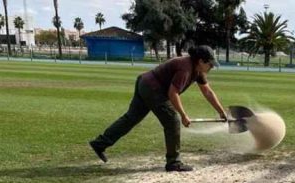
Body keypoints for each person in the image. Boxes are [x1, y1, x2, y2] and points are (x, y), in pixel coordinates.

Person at [89, 46, 228, 172]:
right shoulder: (185, 68)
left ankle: (100, 143)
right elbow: (172, 93)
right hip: (153, 88)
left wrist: (221, 111)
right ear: (201, 61)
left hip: (145, 82)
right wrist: (183, 115)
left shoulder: (198, 70)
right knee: (172, 121)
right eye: (210, 64)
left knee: (131, 118)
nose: (212, 67)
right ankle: (173, 162)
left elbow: (207, 92)